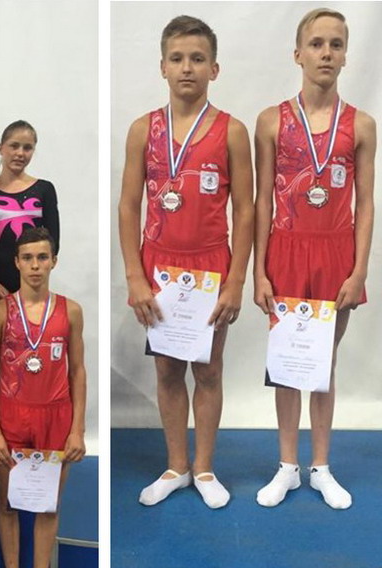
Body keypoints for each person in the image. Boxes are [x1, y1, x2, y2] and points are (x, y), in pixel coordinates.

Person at [118, 15, 254, 508]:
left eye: (198, 58)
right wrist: (135, 276)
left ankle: (205, 467)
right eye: (177, 58)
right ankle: (176, 465)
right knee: (168, 371)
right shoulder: (143, 130)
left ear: (214, 68)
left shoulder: (232, 132)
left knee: (209, 370)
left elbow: (246, 210)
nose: (187, 67)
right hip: (159, 267)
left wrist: (236, 281)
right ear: (162, 66)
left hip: (211, 265)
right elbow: (128, 205)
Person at [253, 8, 375, 510]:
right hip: (285, 248)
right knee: (287, 362)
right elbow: (262, 199)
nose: (326, 53)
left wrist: (359, 269)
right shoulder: (271, 121)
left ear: (346, 56)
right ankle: (287, 465)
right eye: (317, 44)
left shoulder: (361, 124)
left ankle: (321, 466)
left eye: (336, 45)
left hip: (335, 253)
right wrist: (259, 270)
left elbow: (366, 203)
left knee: (324, 360)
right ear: (297, 54)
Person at [0, 227, 86, 568]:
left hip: (55, 416)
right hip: (11, 414)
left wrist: (77, 429)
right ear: (16, 262)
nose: (35, 266)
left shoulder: (70, 311)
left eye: (42, 257)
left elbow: (77, 371)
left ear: (53, 261)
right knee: (6, 502)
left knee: (48, 503)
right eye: (27, 258)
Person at [0, 120, 59, 303]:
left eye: (27, 148)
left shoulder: (44, 189)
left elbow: (53, 241)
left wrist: (36, 277)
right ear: (1, 148)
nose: (20, 153)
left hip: (33, 282)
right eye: (14, 146)